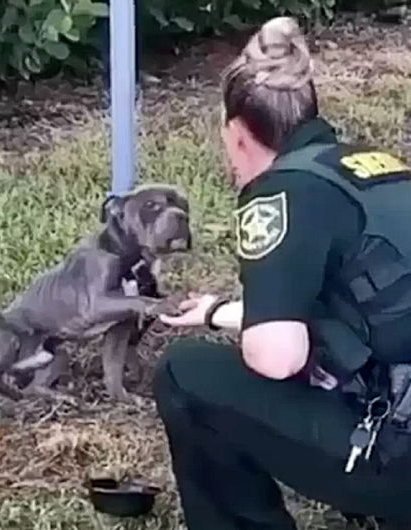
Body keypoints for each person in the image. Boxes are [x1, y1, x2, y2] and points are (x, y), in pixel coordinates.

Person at [154, 16, 411, 529]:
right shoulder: (376, 166)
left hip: (399, 455)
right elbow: (364, 308)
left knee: (184, 374)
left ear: (238, 133)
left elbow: (275, 356)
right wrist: (217, 313)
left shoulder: (279, 193)